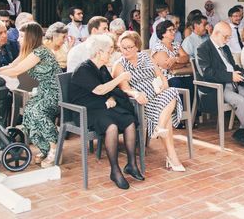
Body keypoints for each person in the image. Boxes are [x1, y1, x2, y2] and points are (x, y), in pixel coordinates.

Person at [69, 35, 143, 189]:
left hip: (101, 106)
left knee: (129, 120)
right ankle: (115, 171)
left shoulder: (101, 68)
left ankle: (131, 164)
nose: (111, 54)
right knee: (112, 126)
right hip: (85, 111)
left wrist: (111, 98)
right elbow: (100, 89)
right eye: (109, 51)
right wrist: (120, 78)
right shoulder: (83, 69)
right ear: (98, 52)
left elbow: (109, 89)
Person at [113, 31, 186, 171]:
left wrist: (164, 86)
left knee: (172, 91)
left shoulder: (145, 57)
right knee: (167, 114)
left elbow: (160, 76)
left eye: (130, 47)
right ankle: (171, 155)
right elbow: (123, 89)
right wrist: (135, 93)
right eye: (123, 47)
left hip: (158, 95)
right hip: (141, 103)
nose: (126, 51)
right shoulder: (119, 65)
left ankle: (159, 128)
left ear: (137, 46)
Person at [196, 21, 244, 148]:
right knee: (240, 101)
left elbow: (232, 66)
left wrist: (242, 72)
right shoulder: (202, 48)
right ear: (217, 33)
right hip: (217, 87)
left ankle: (241, 132)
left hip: (233, 84)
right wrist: (230, 76)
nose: (228, 40)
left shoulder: (225, 48)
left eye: (229, 37)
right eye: (226, 37)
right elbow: (206, 72)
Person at [0, 22, 62, 167]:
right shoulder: (28, 52)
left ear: (30, 37)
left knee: (36, 112)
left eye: (21, 36)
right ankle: (45, 148)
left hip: (55, 93)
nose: (17, 39)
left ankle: (55, 148)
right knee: (28, 112)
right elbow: (12, 66)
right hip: (43, 91)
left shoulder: (40, 52)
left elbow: (16, 71)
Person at [152, 20, 193, 128]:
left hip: (181, 74)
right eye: (170, 30)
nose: (174, 32)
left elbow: (187, 58)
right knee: (176, 84)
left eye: (174, 29)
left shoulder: (176, 44)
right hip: (166, 78)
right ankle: (178, 119)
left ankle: (191, 116)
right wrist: (183, 63)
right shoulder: (158, 47)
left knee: (192, 83)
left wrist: (175, 59)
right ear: (163, 33)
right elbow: (167, 67)